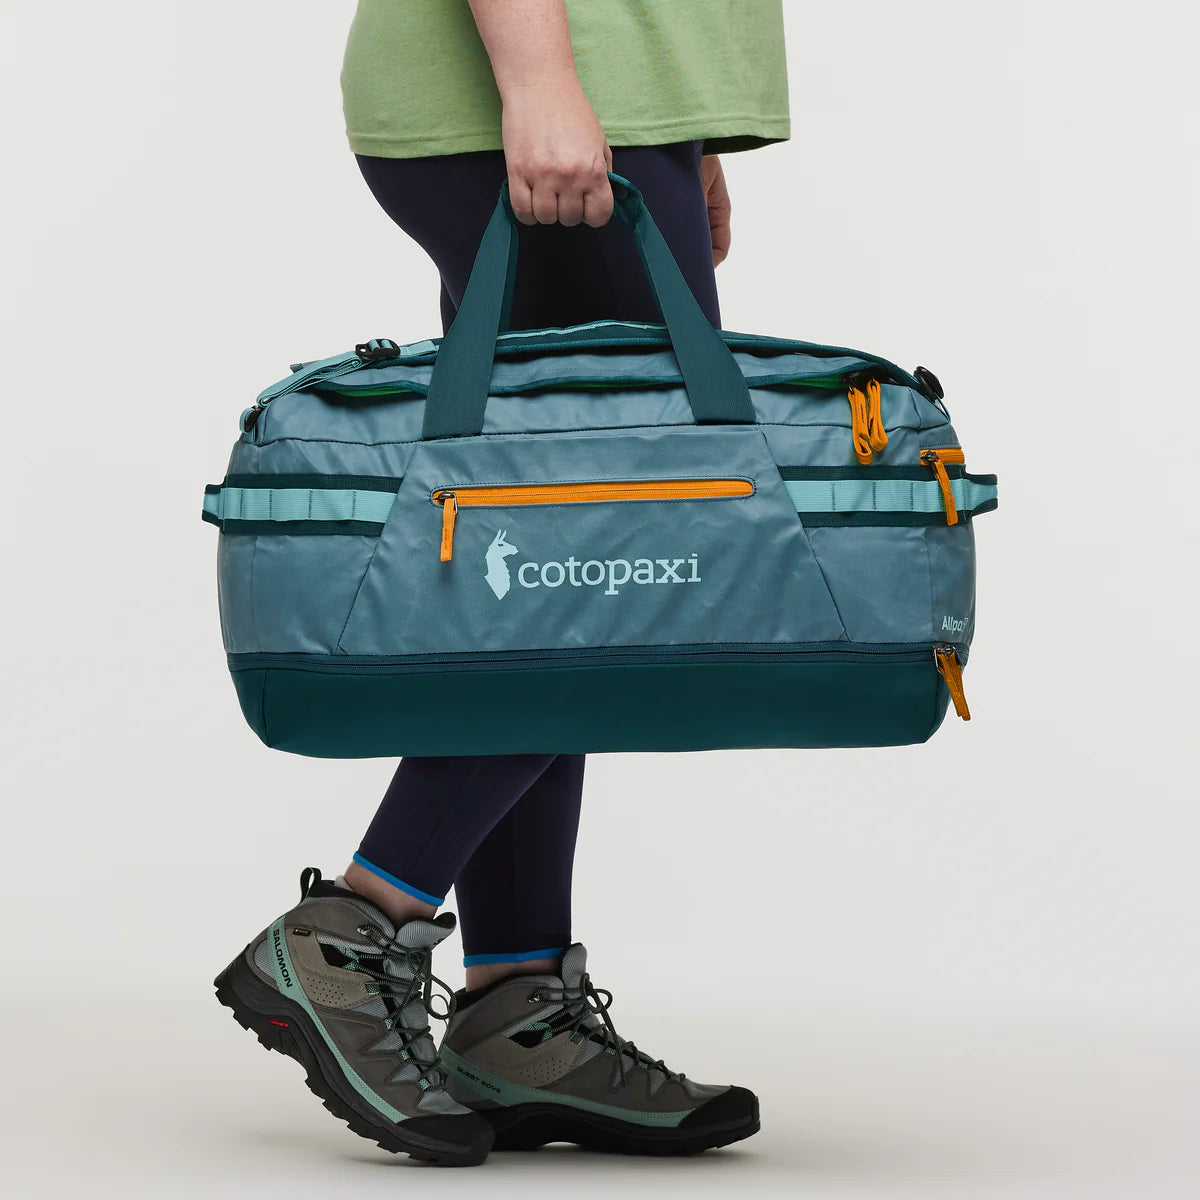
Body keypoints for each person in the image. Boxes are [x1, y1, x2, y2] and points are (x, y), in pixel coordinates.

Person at [216, 0, 790, 1166]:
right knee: (618, 562)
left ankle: (516, 1009)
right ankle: (357, 925)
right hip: (545, 88)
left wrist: (689, 118)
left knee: (554, 564)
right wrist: (542, 81)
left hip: (615, 96)